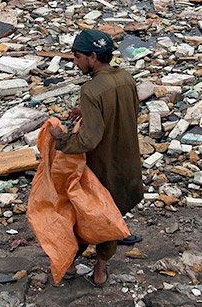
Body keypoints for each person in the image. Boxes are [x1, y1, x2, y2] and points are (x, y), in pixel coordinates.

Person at [49, 28, 144, 287]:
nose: (75, 62)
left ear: (92, 57)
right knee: (111, 214)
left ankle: (70, 264)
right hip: (127, 160)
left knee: (87, 213)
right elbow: (128, 109)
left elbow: (87, 140)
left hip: (103, 166)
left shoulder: (91, 89)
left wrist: (59, 138)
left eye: (77, 57)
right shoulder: (125, 78)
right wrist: (88, 112)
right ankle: (100, 270)